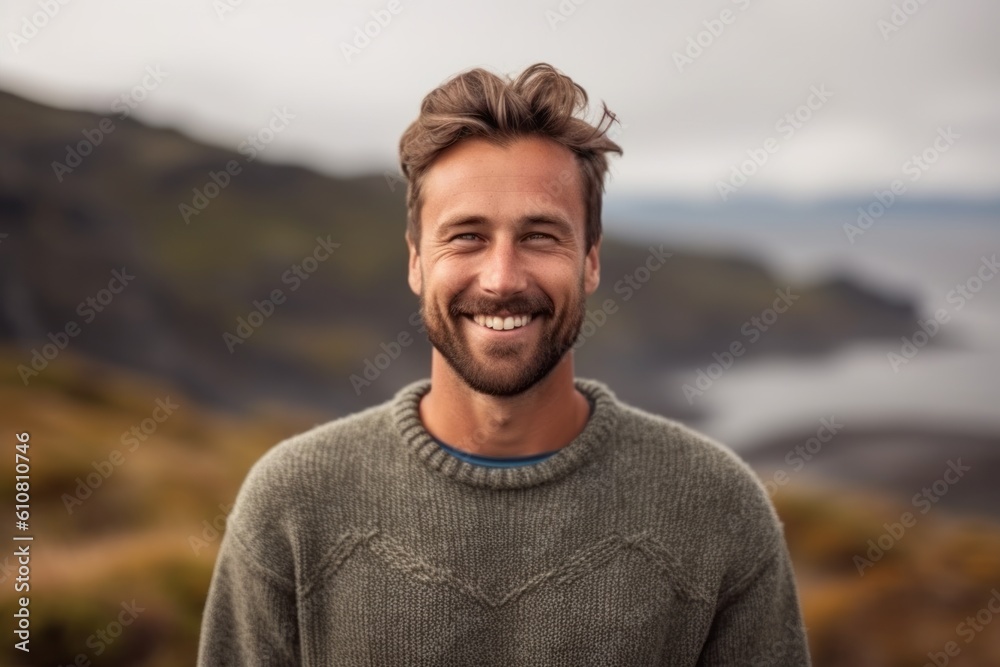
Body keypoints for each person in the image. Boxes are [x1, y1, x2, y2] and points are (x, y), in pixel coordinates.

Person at [197, 62, 811, 666]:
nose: (501, 278)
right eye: (466, 236)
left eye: (541, 236)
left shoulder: (717, 507)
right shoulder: (292, 505)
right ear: (416, 262)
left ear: (591, 262)